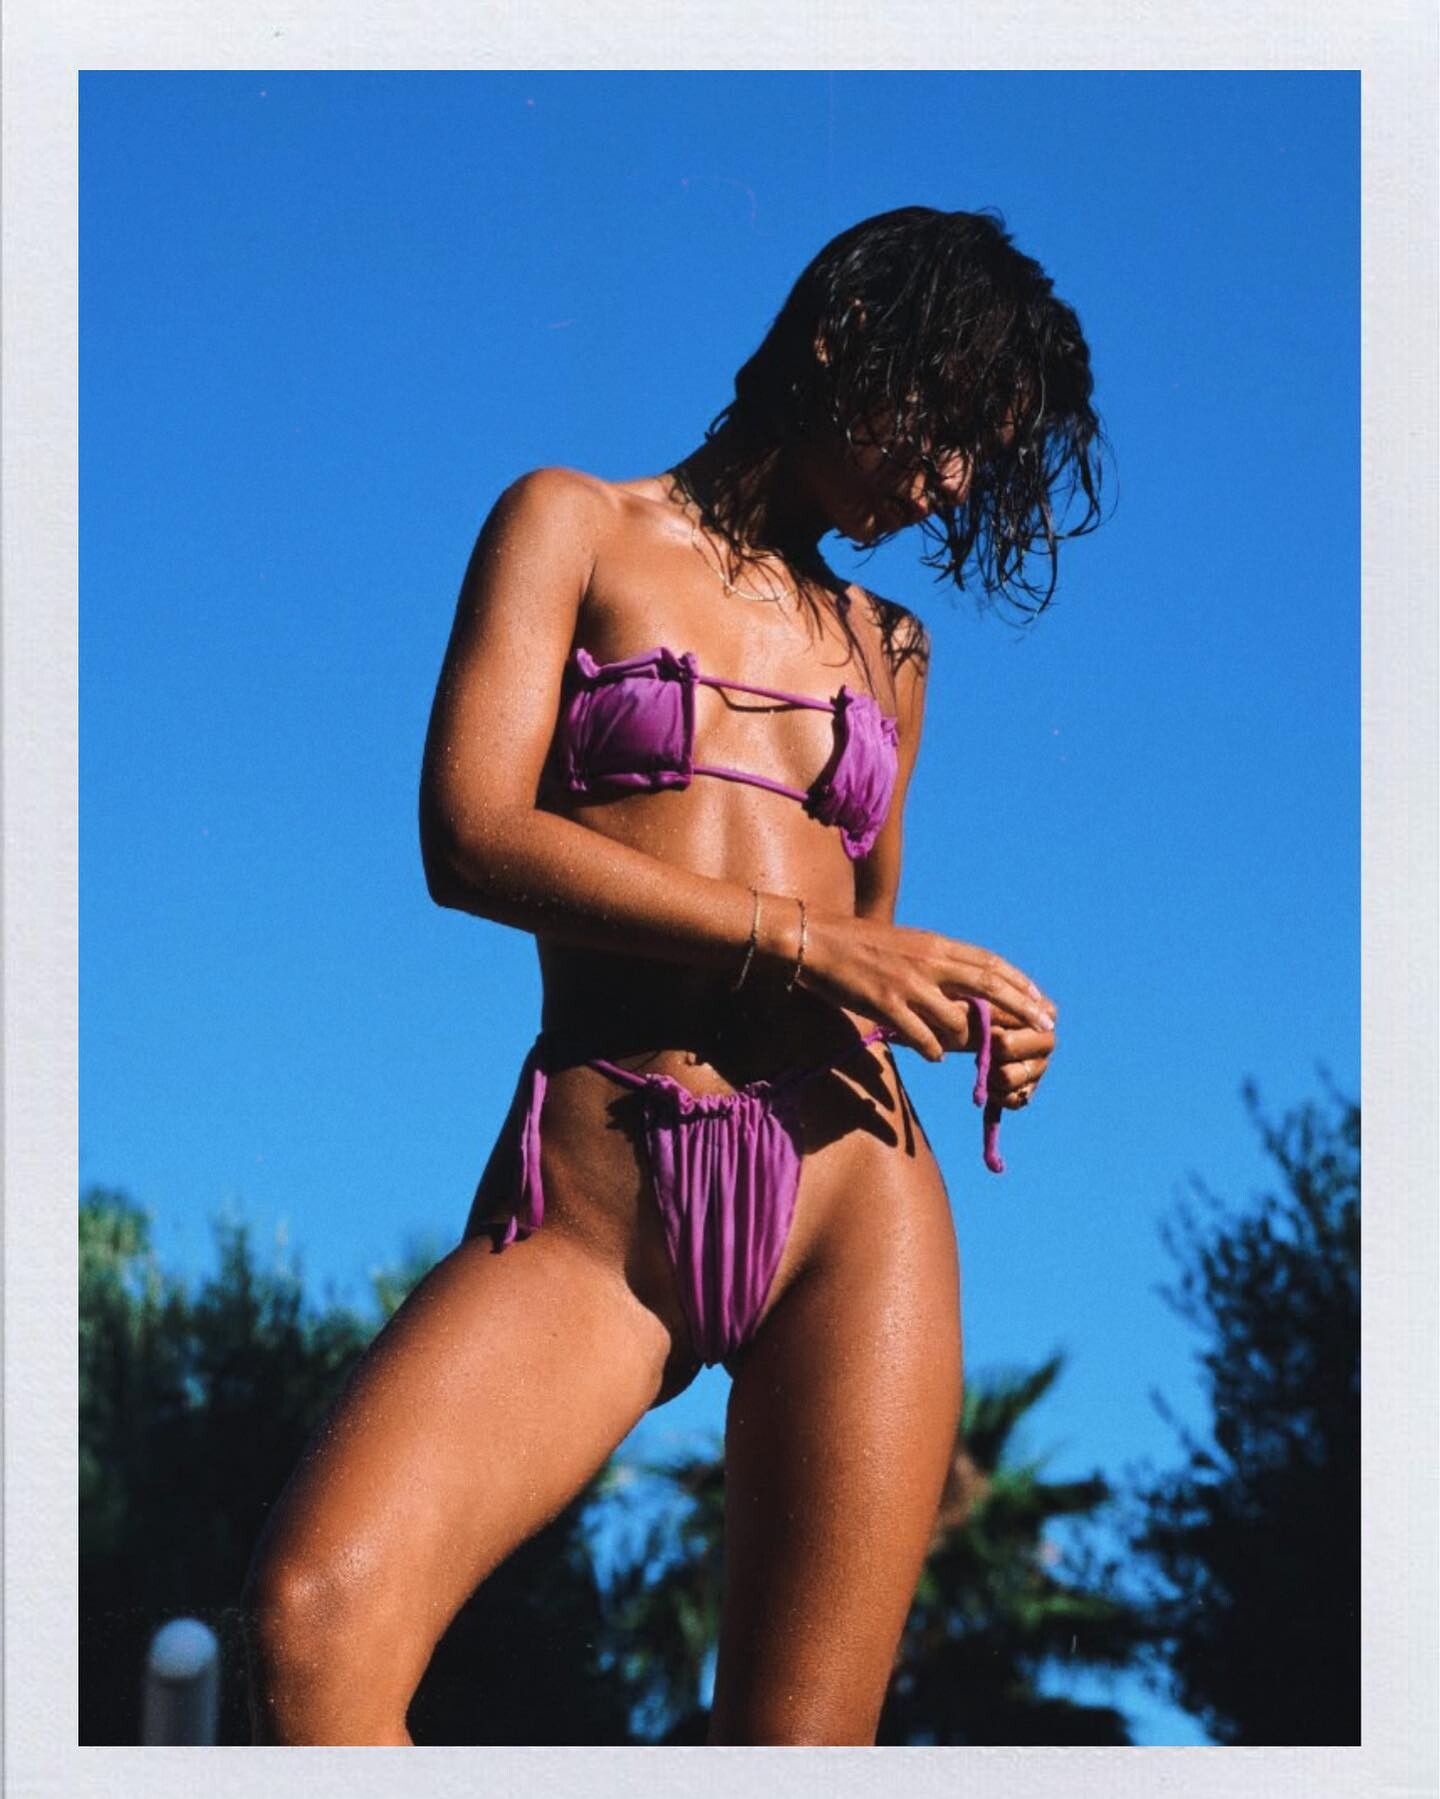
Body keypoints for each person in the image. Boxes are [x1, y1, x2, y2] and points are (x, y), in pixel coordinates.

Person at [241, 204, 1104, 1746]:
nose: (953, 483)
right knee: (314, 1627)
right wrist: (800, 936)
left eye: (984, 456)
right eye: (952, 424)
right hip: (601, 1203)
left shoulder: (893, 652)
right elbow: (468, 835)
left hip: (855, 1202)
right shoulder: (570, 524)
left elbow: (868, 947)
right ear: (843, 340)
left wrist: (962, 1011)